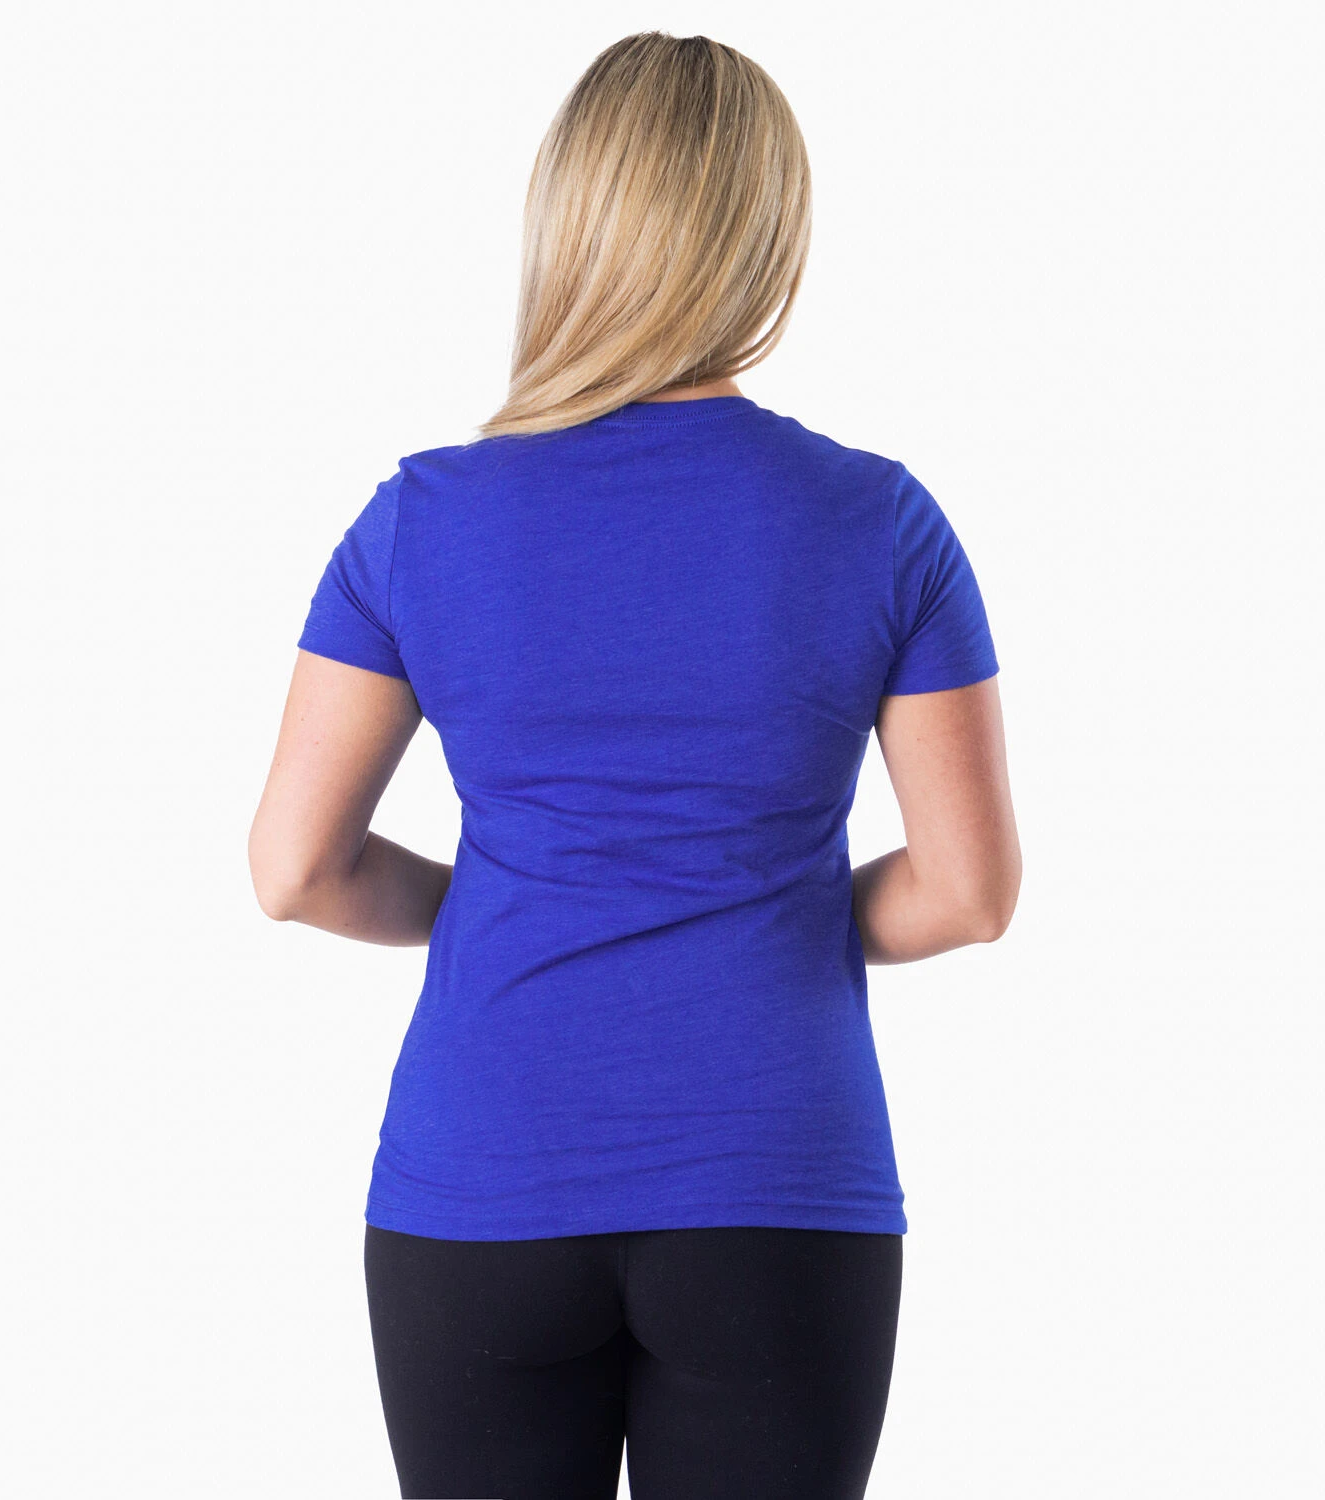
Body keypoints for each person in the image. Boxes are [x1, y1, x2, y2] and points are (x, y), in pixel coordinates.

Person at [248, 29, 1020, 1500]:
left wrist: (512, 904)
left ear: (569, 224)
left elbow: (294, 870)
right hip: (777, 1188)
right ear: (766, 236)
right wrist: (768, 909)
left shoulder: (421, 520)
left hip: (483, 1181)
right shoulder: (880, 522)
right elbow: (969, 894)